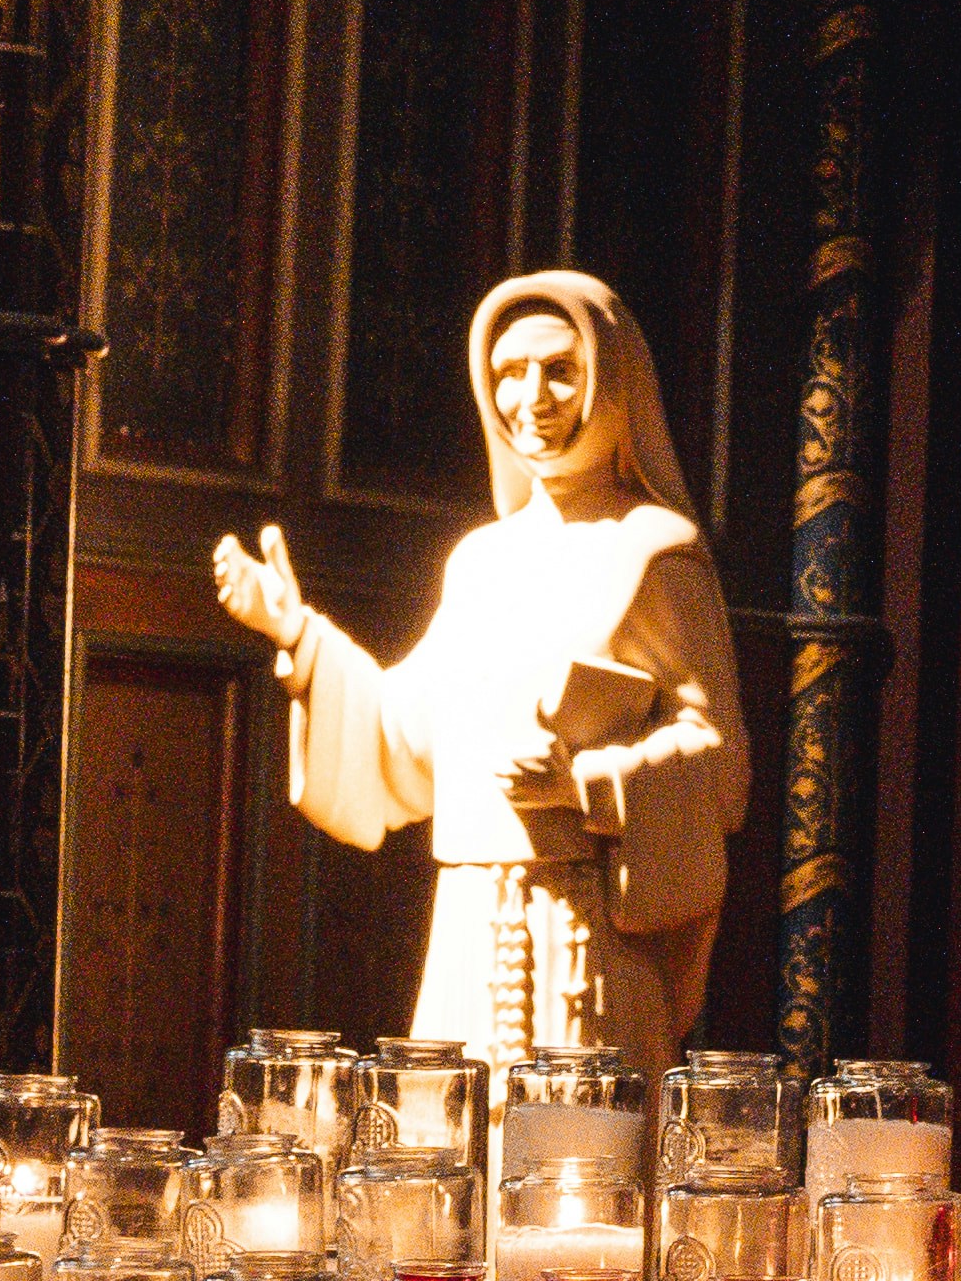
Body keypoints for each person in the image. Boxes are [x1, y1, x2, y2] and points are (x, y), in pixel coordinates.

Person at [208, 271, 754, 1056]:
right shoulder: (480, 562)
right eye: (507, 372)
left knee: (582, 1155)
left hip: (585, 932)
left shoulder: (653, 553)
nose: (529, 395)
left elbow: (719, 755)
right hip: (469, 917)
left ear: (610, 381)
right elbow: (405, 738)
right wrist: (296, 631)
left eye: (559, 369)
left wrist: (587, 785)